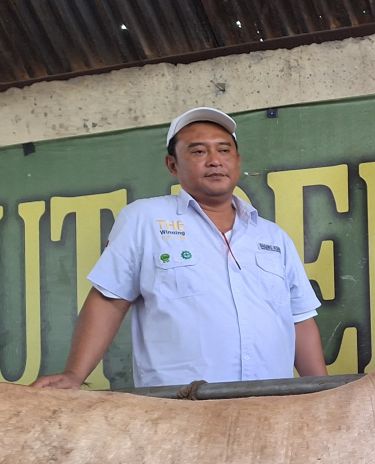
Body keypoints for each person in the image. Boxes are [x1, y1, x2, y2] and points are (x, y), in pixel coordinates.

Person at [34, 107, 326, 390]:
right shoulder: (144, 219)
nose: (214, 160)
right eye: (198, 151)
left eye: (224, 150)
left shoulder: (273, 237)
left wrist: (322, 392)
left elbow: (299, 320)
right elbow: (109, 300)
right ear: (172, 165)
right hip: (181, 412)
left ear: (238, 160)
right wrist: (74, 374)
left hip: (269, 407)